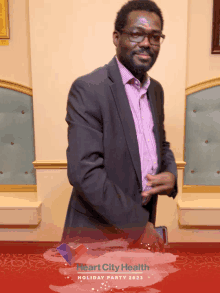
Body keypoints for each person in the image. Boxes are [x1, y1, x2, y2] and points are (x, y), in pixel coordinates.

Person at [62, 0, 178, 252]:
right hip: (95, 236)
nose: (147, 43)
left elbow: (161, 143)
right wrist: (138, 225)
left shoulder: (155, 90)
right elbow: (84, 173)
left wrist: (171, 174)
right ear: (117, 37)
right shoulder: (89, 89)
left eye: (155, 36)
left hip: (142, 229)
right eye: (137, 34)